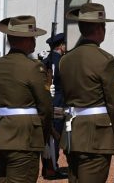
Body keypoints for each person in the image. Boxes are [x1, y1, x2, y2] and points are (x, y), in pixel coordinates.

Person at [59, 2, 114, 183]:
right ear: (99, 29)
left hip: (73, 133)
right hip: (97, 137)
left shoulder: (65, 60)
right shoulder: (105, 60)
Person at [0, 15, 53, 183]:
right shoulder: (34, 67)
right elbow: (46, 109)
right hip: (25, 139)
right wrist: (43, 138)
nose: (34, 41)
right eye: (32, 37)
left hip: (1, 135)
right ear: (24, 39)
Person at [40, 32, 67, 179]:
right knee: (55, 135)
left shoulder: (46, 61)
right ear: (61, 45)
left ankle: (48, 166)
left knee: (48, 136)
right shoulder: (61, 61)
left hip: (48, 101)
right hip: (58, 102)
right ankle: (52, 168)